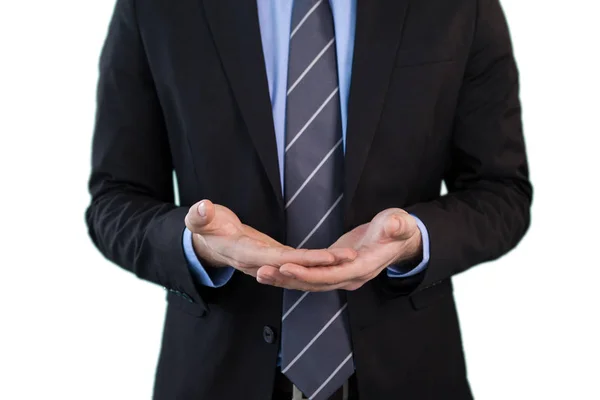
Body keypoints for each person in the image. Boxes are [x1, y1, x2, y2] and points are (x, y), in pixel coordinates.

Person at [86, 0, 532, 398]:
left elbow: (501, 192)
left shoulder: (461, 6)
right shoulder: (155, 8)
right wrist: (197, 246)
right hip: (216, 372)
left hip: (411, 371)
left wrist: (415, 239)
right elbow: (115, 199)